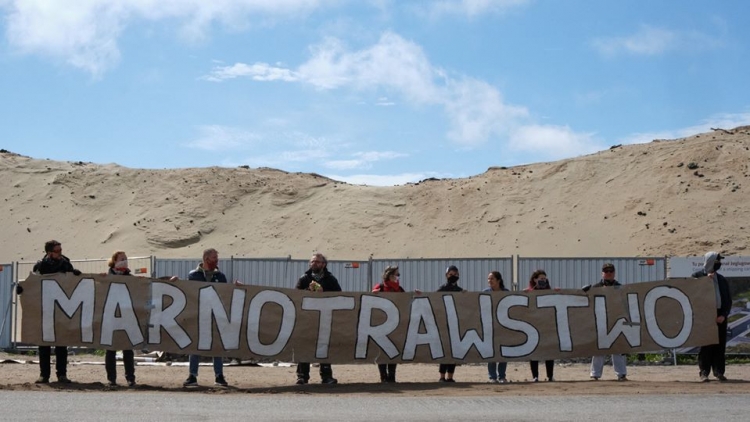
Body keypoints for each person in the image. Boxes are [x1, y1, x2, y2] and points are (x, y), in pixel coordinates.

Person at [31, 240, 82, 384]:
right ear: (49, 253)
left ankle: (62, 375)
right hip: (45, 309)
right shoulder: (40, 266)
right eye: (57, 251)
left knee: (61, 344)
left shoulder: (66, 264)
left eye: (61, 250)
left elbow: (73, 284)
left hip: (62, 309)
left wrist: (75, 274)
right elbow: (32, 284)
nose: (60, 253)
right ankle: (44, 375)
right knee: (44, 344)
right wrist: (23, 289)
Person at [183, 248, 231, 387]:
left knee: (217, 347)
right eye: (214, 258)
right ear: (206, 259)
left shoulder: (220, 277)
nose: (217, 261)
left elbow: (226, 294)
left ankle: (219, 376)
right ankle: (192, 376)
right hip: (198, 317)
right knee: (195, 347)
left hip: (216, 317)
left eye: (217, 258)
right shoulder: (193, 275)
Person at [295, 253, 342, 385]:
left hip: (325, 318)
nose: (314, 264)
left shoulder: (330, 279)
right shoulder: (304, 278)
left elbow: (339, 296)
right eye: (312, 262)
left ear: (324, 264)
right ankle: (302, 376)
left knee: (324, 346)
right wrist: (307, 290)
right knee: (304, 346)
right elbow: (296, 295)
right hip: (307, 318)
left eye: (317, 262)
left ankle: (326, 376)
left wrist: (324, 291)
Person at [692, 251, 732, 382]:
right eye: (717, 261)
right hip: (704, 316)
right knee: (706, 345)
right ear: (709, 262)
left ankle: (719, 371)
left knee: (720, 345)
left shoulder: (721, 279)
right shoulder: (697, 276)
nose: (719, 264)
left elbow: (727, 300)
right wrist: (704, 281)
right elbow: (693, 294)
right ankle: (704, 372)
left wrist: (724, 315)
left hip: (719, 315)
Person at [588, 263, 628, 381]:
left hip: (616, 320)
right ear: (602, 273)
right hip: (600, 320)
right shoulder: (595, 287)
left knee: (618, 348)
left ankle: (621, 373)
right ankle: (595, 373)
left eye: (611, 271)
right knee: (599, 348)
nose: (609, 273)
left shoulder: (620, 287)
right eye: (606, 271)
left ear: (614, 273)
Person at [103, 251, 137, 387]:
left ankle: (130, 378)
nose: (125, 261)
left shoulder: (130, 277)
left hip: (127, 317)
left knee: (128, 350)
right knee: (110, 349)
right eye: (122, 259)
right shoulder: (106, 277)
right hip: (110, 317)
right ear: (114, 261)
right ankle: (111, 379)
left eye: (126, 259)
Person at [372, 265, 408, 383]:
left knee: (393, 350)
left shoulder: (400, 289)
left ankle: (392, 376)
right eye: (397, 275)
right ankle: (383, 377)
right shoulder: (380, 287)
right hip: (381, 323)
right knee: (382, 350)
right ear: (390, 275)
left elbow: (407, 301)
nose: (398, 277)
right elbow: (370, 300)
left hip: (396, 324)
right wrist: (374, 295)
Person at [524, 269, 556, 382]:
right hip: (533, 326)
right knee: (534, 352)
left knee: (549, 351)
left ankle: (550, 375)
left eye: (544, 279)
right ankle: (535, 376)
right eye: (540, 279)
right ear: (535, 279)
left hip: (547, 326)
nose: (543, 280)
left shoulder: (550, 292)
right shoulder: (529, 292)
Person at [437, 265, 463, 382]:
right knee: (445, 351)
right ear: (446, 275)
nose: (453, 276)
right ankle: (442, 376)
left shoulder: (460, 291)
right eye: (450, 274)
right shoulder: (442, 289)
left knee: (454, 351)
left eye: (455, 274)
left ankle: (450, 376)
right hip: (444, 324)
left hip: (456, 325)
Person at [483, 271, 509, 383]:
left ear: (498, 280)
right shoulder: (485, 292)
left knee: (503, 352)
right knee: (491, 352)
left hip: (504, 326)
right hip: (490, 326)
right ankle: (492, 376)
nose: (489, 281)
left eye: (492, 278)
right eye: (488, 279)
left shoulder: (506, 292)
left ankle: (502, 376)